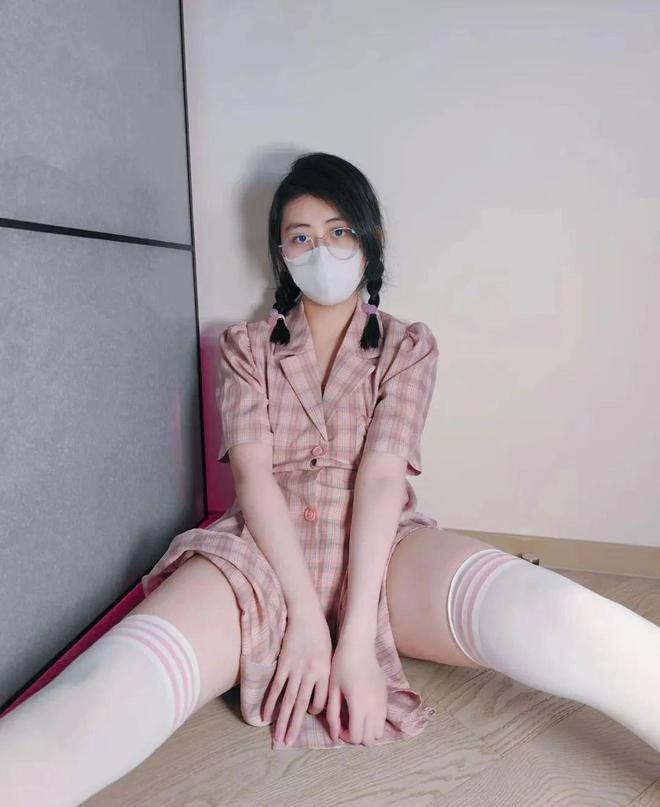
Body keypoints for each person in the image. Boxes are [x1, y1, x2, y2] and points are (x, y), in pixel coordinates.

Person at [2, 152, 659, 805]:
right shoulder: (245, 347)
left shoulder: (407, 345)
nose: (321, 250)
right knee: (111, 687)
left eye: (339, 230)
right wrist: (307, 622)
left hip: (385, 550)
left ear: (370, 240)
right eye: (301, 237)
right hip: (257, 556)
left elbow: (381, 478)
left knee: (553, 612)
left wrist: (356, 643)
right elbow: (253, 479)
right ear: (281, 254)